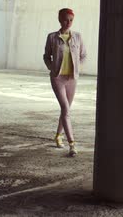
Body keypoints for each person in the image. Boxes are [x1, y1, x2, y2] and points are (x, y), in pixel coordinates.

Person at [43, 8, 87, 157]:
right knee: (66, 109)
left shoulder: (78, 37)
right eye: (65, 19)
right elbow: (46, 56)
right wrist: (52, 69)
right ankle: (72, 144)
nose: (68, 23)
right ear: (59, 20)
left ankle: (58, 135)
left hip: (72, 79)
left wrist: (78, 69)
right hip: (58, 79)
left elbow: (83, 56)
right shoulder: (52, 37)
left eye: (71, 20)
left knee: (65, 110)